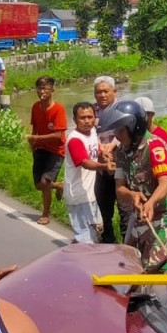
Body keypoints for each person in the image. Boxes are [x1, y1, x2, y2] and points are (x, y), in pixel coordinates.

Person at [101, 100, 167, 271]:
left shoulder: (155, 146)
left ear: (134, 128)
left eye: (121, 130)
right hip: (141, 215)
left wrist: (151, 202)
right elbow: (120, 188)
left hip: (165, 214)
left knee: (156, 265)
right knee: (129, 262)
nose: (117, 135)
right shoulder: (122, 152)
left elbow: (165, 182)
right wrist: (131, 195)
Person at [63, 102, 113, 244]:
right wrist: (104, 166)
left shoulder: (92, 132)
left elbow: (94, 149)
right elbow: (85, 162)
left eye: (90, 117)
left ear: (95, 117)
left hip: (89, 193)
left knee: (94, 232)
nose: (87, 121)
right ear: (74, 120)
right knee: (87, 238)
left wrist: (103, 154)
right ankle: (83, 261)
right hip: (78, 195)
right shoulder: (74, 140)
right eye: (82, 118)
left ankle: (75, 254)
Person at [26, 76, 66, 226]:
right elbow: (35, 128)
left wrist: (36, 139)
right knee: (38, 185)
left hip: (56, 150)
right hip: (40, 148)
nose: (42, 91)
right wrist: (33, 143)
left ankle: (46, 214)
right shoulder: (35, 107)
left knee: (45, 182)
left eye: (45, 88)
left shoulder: (58, 109)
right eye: (39, 88)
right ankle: (59, 185)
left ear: (52, 90)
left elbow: (58, 135)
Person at [92, 76, 120, 243]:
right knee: (103, 201)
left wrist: (112, 146)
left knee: (125, 204)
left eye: (105, 91)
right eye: (98, 92)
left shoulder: (122, 108)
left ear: (114, 92)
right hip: (100, 163)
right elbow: (87, 132)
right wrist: (101, 148)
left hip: (120, 161)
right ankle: (108, 238)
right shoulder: (91, 111)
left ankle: (129, 241)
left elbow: (126, 129)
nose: (102, 95)